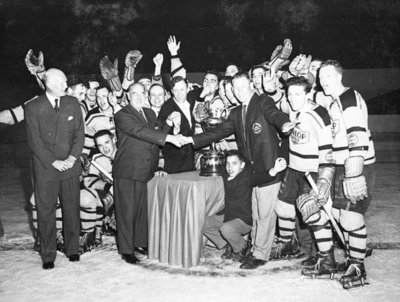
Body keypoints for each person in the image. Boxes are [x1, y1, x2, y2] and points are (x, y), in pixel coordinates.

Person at [181, 72, 297, 269]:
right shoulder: (235, 113)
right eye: (236, 88)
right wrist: (193, 140)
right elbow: (218, 132)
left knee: (265, 216)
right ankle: (253, 248)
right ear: (232, 90)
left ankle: (260, 255)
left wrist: (284, 123)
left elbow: (275, 114)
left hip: (270, 171)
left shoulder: (262, 102)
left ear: (251, 85)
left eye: (244, 87)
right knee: (256, 214)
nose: (240, 91)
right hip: (251, 173)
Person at [309, 60, 376, 289]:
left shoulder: (349, 99)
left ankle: (358, 266)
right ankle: (349, 260)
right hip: (339, 165)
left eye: (327, 76)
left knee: (350, 217)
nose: (322, 81)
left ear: (339, 76)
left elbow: (357, 137)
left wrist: (354, 174)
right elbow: (311, 94)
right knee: (338, 216)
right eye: (320, 77)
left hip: (354, 165)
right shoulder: (332, 100)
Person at [112, 82, 182, 264]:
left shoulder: (149, 113)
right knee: (127, 211)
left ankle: (140, 242)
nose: (138, 96)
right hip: (128, 169)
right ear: (128, 95)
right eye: (134, 93)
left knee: (143, 209)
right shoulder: (122, 115)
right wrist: (169, 137)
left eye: (141, 93)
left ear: (145, 95)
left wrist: (168, 123)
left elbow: (156, 133)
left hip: (146, 169)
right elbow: (141, 132)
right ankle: (126, 249)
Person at [25, 68, 85, 269]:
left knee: (71, 209)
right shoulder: (33, 107)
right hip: (46, 168)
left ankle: (73, 249)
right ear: (49, 84)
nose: (65, 86)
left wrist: (72, 158)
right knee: (45, 212)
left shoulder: (72, 103)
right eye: (62, 82)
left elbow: (79, 135)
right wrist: (53, 162)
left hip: (70, 166)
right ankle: (48, 254)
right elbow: (35, 142)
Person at [271, 77, 334, 265]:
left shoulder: (318, 115)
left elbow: (327, 152)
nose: (293, 98)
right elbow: (275, 99)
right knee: (282, 207)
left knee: (313, 213)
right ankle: (286, 244)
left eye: (298, 94)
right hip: (294, 169)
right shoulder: (292, 107)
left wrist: (324, 180)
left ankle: (326, 258)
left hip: (312, 172)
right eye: (290, 94)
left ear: (308, 94)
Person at [204, 150, 287, 262]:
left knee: (226, 229)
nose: (230, 167)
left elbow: (262, 177)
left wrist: (275, 169)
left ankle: (242, 247)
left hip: (242, 220)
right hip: (227, 215)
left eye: (234, 163)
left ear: (242, 165)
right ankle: (227, 245)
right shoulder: (225, 175)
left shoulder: (246, 177)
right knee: (204, 223)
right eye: (228, 164)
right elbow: (213, 169)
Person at [158, 76, 197, 174]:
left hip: (190, 159)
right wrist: (174, 129)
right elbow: (161, 133)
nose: (179, 94)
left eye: (182, 90)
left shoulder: (191, 100)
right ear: (171, 91)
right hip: (173, 161)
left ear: (188, 89)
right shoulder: (166, 108)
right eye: (175, 90)